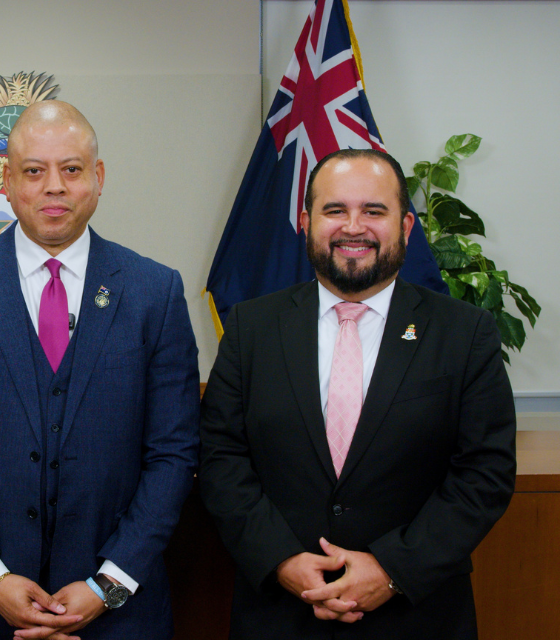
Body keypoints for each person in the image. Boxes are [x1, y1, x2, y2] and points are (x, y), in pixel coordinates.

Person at [0, 100, 200, 639]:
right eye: (34, 171)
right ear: (7, 182)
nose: (53, 186)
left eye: (72, 169)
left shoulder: (156, 291)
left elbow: (173, 453)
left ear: (98, 178)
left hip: (116, 613)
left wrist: (109, 585)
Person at [199, 149, 516, 639]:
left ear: (406, 226)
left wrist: (393, 569)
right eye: (334, 210)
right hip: (280, 613)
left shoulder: (464, 332)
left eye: (373, 211)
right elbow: (221, 457)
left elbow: (485, 472)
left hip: (417, 614)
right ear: (305, 223)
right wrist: (280, 559)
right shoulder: (251, 327)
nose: (353, 227)